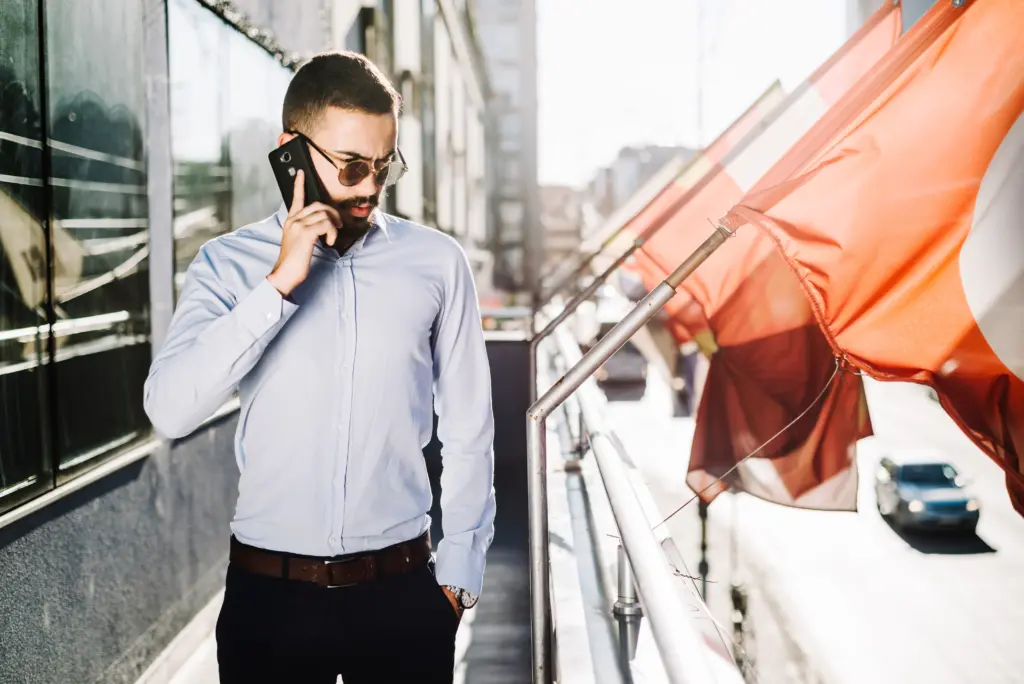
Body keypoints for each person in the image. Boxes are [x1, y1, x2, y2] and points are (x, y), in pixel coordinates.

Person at [143, 50, 496, 683]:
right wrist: (279, 284)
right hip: (269, 605)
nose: (369, 188)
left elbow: (470, 426)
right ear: (292, 153)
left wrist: (458, 576)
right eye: (352, 165)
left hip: (403, 600)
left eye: (384, 166)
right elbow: (169, 410)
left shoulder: (438, 263)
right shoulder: (227, 264)